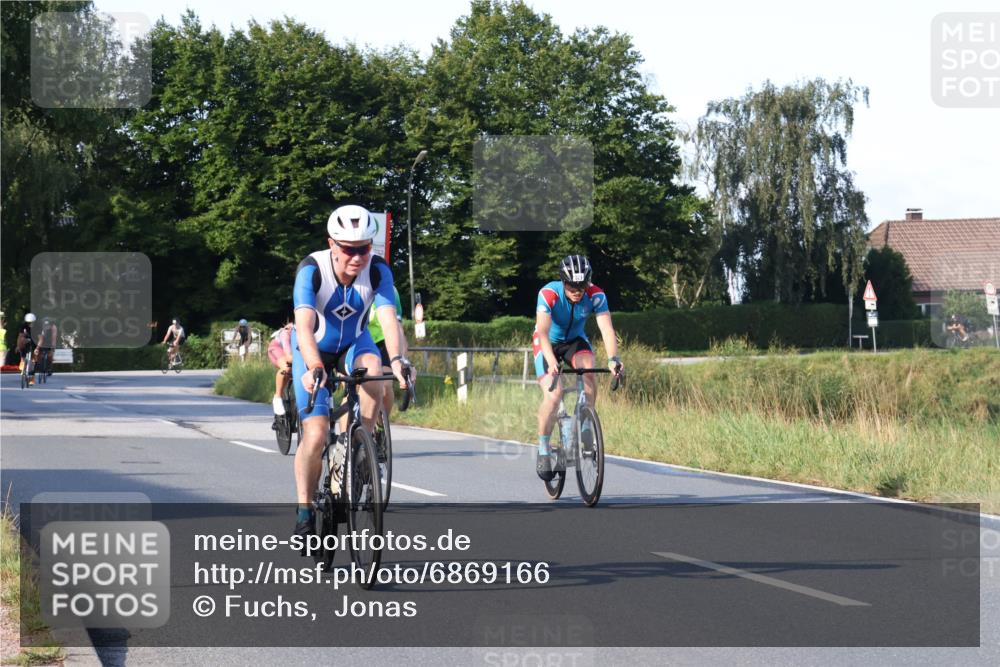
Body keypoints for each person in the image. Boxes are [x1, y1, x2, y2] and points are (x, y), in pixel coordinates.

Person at [291, 204, 410, 541]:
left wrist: (399, 360)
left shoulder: (378, 269)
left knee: (374, 369)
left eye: (365, 249)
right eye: (350, 250)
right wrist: (314, 366)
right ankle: (303, 510)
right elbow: (303, 327)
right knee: (315, 434)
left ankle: (361, 447)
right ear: (333, 244)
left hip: (354, 345)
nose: (358, 257)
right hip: (314, 349)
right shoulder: (311, 270)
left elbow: (388, 319)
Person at [532, 255, 623, 481]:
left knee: (590, 372)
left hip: (575, 341)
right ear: (564, 282)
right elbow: (542, 332)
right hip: (547, 343)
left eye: (582, 285)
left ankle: (585, 426)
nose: (577, 290)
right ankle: (543, 447)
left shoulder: (596, 295)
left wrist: (613, 359)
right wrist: (551, 360)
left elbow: (607, 329)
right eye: (572, 286)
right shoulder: (549, 293)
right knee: (554, 396)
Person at [368, 285, 412, 436]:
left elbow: (397, 327)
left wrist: (403, 359)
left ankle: (380, 427)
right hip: (359, 341)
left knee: (385, 388)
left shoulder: (390, 290)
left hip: (383, 341)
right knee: (356, 389)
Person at [268, 319, 294, 424]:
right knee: (286, 367)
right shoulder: (287, 332)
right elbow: (288, 357)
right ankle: (277, 397)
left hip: (293, 352)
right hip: (277, 349)